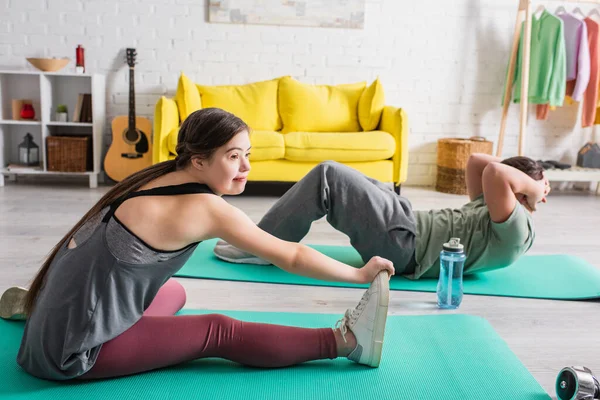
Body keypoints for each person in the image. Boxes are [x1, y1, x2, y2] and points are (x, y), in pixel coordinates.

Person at [0, 108, 395, 381]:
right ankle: (345, 342)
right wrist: (358, 274)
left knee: (173, 289)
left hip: (62, 320)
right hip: (72, 354)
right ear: (199, 160)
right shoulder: (204, 208)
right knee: (217, 331)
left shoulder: (154, 177)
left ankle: (40, 309)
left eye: (248, 155)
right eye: (234, 156)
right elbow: (289, 253)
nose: (246, 168)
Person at [214, 153, 550, 279]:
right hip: (405, 224)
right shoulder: (493, 211)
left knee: (328, 175)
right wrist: (529, 182)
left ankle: (262, 246)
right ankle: (268, 240)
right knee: (354, 181)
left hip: (405, 244)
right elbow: (479, 162)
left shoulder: (516, 227)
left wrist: (536, 188)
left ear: (519, 193)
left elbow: (493, 171)